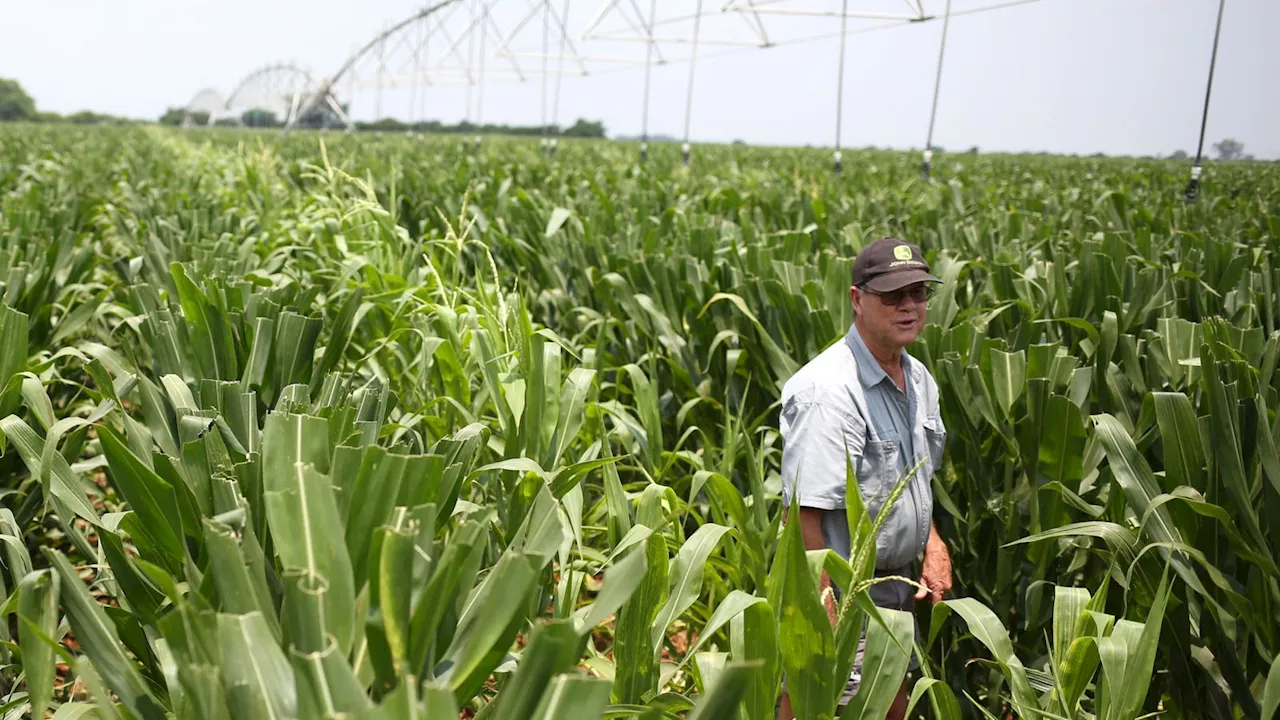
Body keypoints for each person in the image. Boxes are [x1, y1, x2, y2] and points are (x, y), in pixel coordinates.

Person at [776, 238, 953, 720]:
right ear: (857, 300)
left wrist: (932, 543)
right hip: (847, 591)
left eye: (918, 292)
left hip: (894, 592)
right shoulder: (829, 393)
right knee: (831, 703)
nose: (909, 306)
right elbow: (802, 514)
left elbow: (914, 480)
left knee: (882, 705)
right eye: (893, 296)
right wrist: (822, 604)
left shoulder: (919, 380)